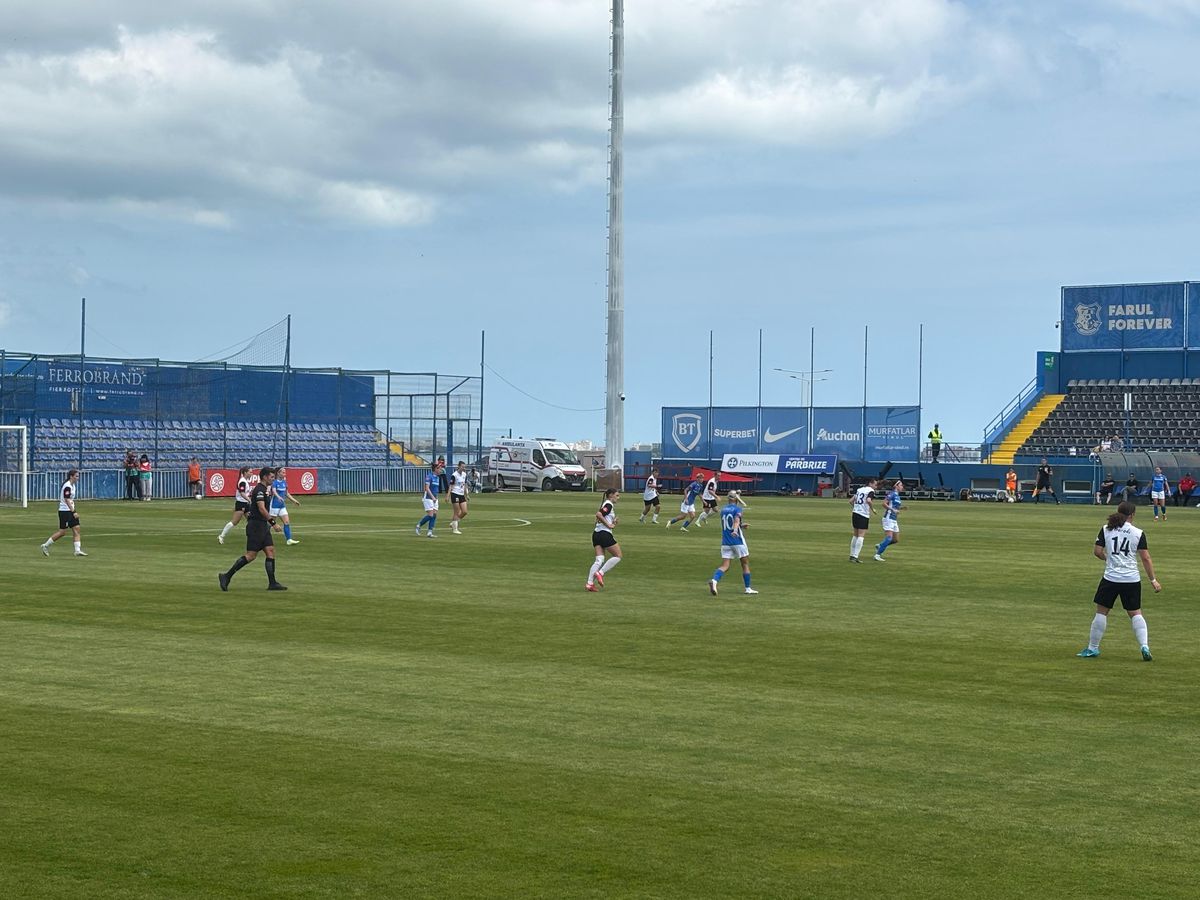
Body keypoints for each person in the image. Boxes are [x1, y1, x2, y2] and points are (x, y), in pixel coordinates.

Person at [1077, 501, 1159, 661]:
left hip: (1111, 578)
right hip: (1132, 579)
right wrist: (1153, 580)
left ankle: (1093, 648)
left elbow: (1097, 551)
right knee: (1135, 613)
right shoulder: (1138, 533)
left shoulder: (1106, 529)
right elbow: (1146, 558)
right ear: (1132, 515)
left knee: (1102, 612)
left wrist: (1108, 559)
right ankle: (1144, 645)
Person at [219, 466, 287, 592]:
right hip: (256, 526)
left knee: (270, 551)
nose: (273, 479)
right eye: (271, 477)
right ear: (265, 477)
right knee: (251, 555)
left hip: (262, 526)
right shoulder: (259, 490)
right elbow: (261, 509)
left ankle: (272, 583)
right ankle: (226, 576)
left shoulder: (264, 489)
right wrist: (273, 523)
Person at [708, 490, 756, 596]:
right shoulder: (738, 508)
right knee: (745, 563)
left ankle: (714, 581)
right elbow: (736, 520)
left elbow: (731, 523)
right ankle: (748, 588)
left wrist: (741, 526)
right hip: (737, 540)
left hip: (725, 542)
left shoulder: (723, 510)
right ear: (736, 499)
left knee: (725, 565)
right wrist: (735, 530)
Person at [40, 468, 87, 557]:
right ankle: (45, 545)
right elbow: (67, 500)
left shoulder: (73, 486)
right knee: (62, 532)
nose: (78, 478)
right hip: (65, 511)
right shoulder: (67, 486)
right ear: (71, 476)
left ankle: (77, 550)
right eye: (76, 476)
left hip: (70, 510)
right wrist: (74, 511)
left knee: (76, 529)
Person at [586, 488, 622, 592]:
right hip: (604, 534)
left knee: (599, 560)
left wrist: (613, 523)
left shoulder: (606, 505)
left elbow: (600, 518)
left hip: (596, 534)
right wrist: (610, 525)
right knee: (618, 556)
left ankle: (589, 584)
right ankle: (600, 573)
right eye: (617, 495)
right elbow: (598, 514)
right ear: (610, 495)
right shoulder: (609, 504)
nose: (618, 498)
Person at [218, 466, 254, 545]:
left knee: (252, 520)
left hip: (246, 504)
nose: (251, 474)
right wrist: (249, 499)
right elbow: (242, 493)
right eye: (250, 472)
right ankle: (221, 535)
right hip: (241, 503)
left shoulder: (244, 481)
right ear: (245, 472)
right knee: (235, 521)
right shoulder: (242, 482)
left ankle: (253, 537)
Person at [269, 467, 301, 544]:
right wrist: (278, 497)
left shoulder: (284, 482)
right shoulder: (275, 482)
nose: (284, 473)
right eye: (283, 472)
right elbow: (273, 491)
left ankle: (289, 540)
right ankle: (261, 537)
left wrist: (294, 501)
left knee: (286, 522)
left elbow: (286, 493)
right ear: (278, 473)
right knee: (270, 523)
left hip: (282, 506)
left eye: (285, 472)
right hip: (274, 505)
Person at [849, 477, 878, 563]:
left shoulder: (859, 489)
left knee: (855, 535)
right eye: (875, 484)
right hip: (863, 515)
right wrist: (872, 509)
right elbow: (868, 500)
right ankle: (855, 556)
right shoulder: (871, 491)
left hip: (855, 513)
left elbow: (851, 501)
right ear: (870, 483)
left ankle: (852, 555)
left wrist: (857, 507)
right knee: (861, 535)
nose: (876, 486)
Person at [874, 480, 904, 561]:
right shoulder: (892, 494)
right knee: (889, 538)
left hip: (894, 519)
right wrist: (893, 510)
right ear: (896, 486)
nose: (902, 487)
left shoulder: (897, 495)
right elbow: (884, 503)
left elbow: (894, 507)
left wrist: (900, 508)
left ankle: (880, 545)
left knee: (895, 540)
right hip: (888, 518)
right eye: (901, 485)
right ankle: (877, 555)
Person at [416, 461, 440, 537]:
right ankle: (419, 525)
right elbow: (427, 488)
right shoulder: (429, 476)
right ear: (435, 469)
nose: (440, 470)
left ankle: (430, 532)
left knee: (434, 515)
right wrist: (432, 497)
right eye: (439, 468)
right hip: (428, 498)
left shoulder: (437, 478)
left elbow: (435, 489)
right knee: (430, 515)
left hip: (435, 498)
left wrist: (435, 498)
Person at [449, 460, 470, 534]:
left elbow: (464, 485)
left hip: (461, 494)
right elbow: (451, 486)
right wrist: (448, 496)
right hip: (455, 493)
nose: (463, 468)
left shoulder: (464, 474)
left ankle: (453, 523)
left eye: (464, 467)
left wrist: (466, 495)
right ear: (458, 466)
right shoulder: (454, 475)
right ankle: (455, 529)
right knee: (457, 512)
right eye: (462, 467)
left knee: (464, 512)